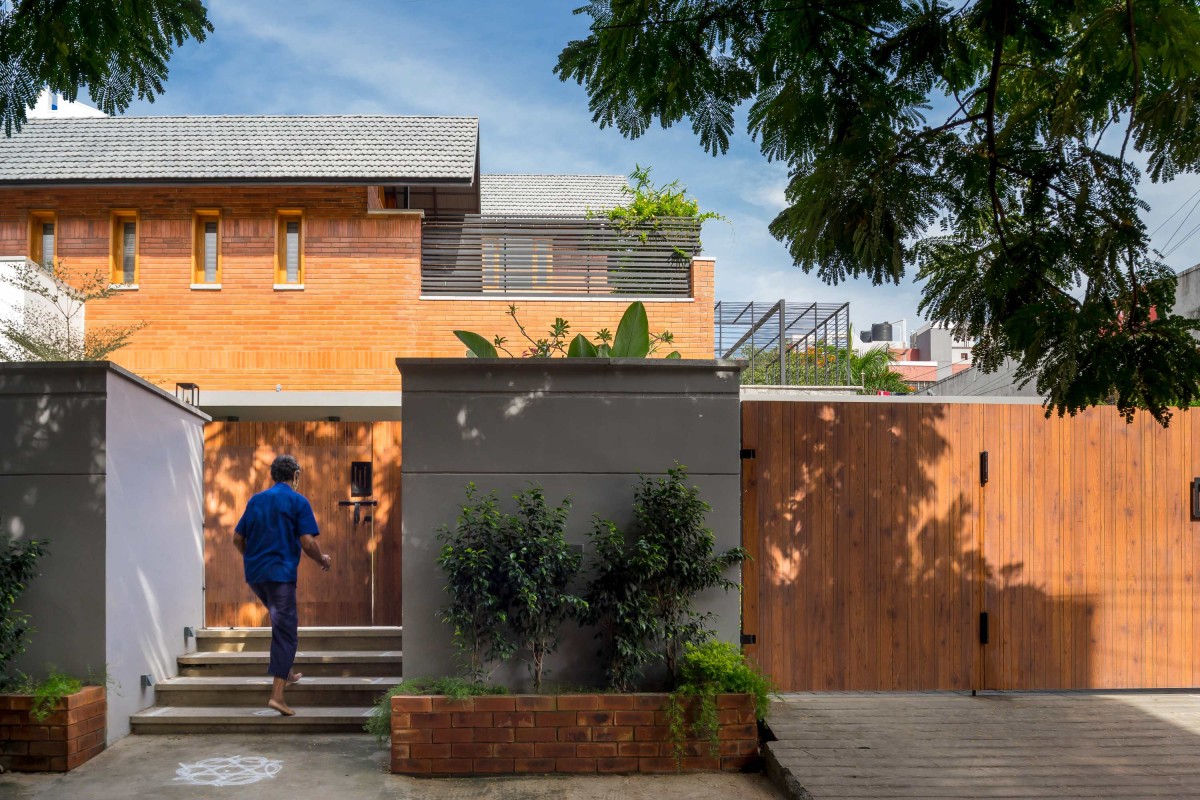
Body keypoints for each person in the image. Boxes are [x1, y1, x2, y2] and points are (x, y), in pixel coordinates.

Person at [233, 454, 331, 716]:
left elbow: (237, 538)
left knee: (280, 620)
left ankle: (285, 671)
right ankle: (277, 695)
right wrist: (322, 559)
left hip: (256, 575)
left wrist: (254, 558)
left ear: (273, 475)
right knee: (286, 631)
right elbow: (308, 542)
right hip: (280, 576)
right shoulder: (298, 501)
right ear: (296, 476)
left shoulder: (256, 500)